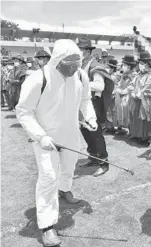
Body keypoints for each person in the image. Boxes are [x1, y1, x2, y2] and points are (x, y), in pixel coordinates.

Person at [16, 39, 97, 246]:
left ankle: (65, 189)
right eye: (69, 63)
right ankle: (47, 226)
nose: (74, 67)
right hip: (45, 137)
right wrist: (40, 136)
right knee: (48, 177)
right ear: (57, 60)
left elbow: (86, 99)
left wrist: (90, 118)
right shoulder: (38, 78)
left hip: (71, 134)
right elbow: (24, 110)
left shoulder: (80, 74)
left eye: (77, 62)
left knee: (69, 167)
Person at [77, 37, 114, 177]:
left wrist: (81, 85)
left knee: (96, 133)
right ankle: (93, 156)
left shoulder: (95, 65)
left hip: (93, 104)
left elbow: (100, 85)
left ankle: (104, 162)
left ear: (86, 51)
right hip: (82, 103)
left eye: (79, 50)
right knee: (85, 130)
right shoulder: (80, 65)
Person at [128, 51, 151, 144]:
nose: (140, 66)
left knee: (144, 118)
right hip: (135, 100)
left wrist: (140, 94)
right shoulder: (137, 75)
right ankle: (135, 134)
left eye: (142, 64)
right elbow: (131, 84)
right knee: (135, 117)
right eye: (139, 64)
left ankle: (144, 136)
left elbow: (148, 87)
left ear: (147, 64)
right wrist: (132, 92)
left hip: (145, 100)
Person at [113, 55, 137, 135]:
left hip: (129, 97)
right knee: (121, 111)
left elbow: (132, 86)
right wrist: (119, 88)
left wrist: (124, 91)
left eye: (123, 65)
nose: (122, 67)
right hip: (122, 95)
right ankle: (121, 127)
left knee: (129, 113)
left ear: (129, 67)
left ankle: (131, 130)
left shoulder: (134, 75)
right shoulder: (124, 75)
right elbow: (120, 83)